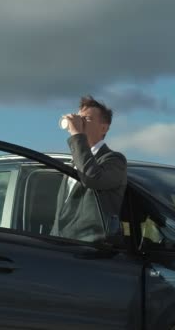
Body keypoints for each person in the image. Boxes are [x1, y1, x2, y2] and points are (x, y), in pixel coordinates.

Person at [50, 96, 127, 242]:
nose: (81, 123)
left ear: (104, 128)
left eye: (87, 119)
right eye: (80, 118)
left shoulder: (114, 160)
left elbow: (92, 177)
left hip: (93, 248)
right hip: (63, 247)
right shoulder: (75, 161)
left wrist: (77, 135)